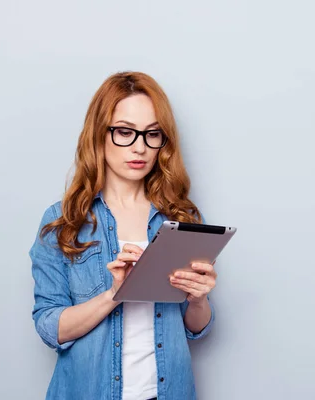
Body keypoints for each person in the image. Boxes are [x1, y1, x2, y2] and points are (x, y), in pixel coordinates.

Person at [29, 71, 217, 400]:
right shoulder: (64, 221)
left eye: (152, 134)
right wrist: (114, 293)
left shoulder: (180, 218)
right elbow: (49, 327)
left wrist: (198, 298)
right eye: (125, 132)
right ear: (99, 135)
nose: (140, 147)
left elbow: (195, 328)